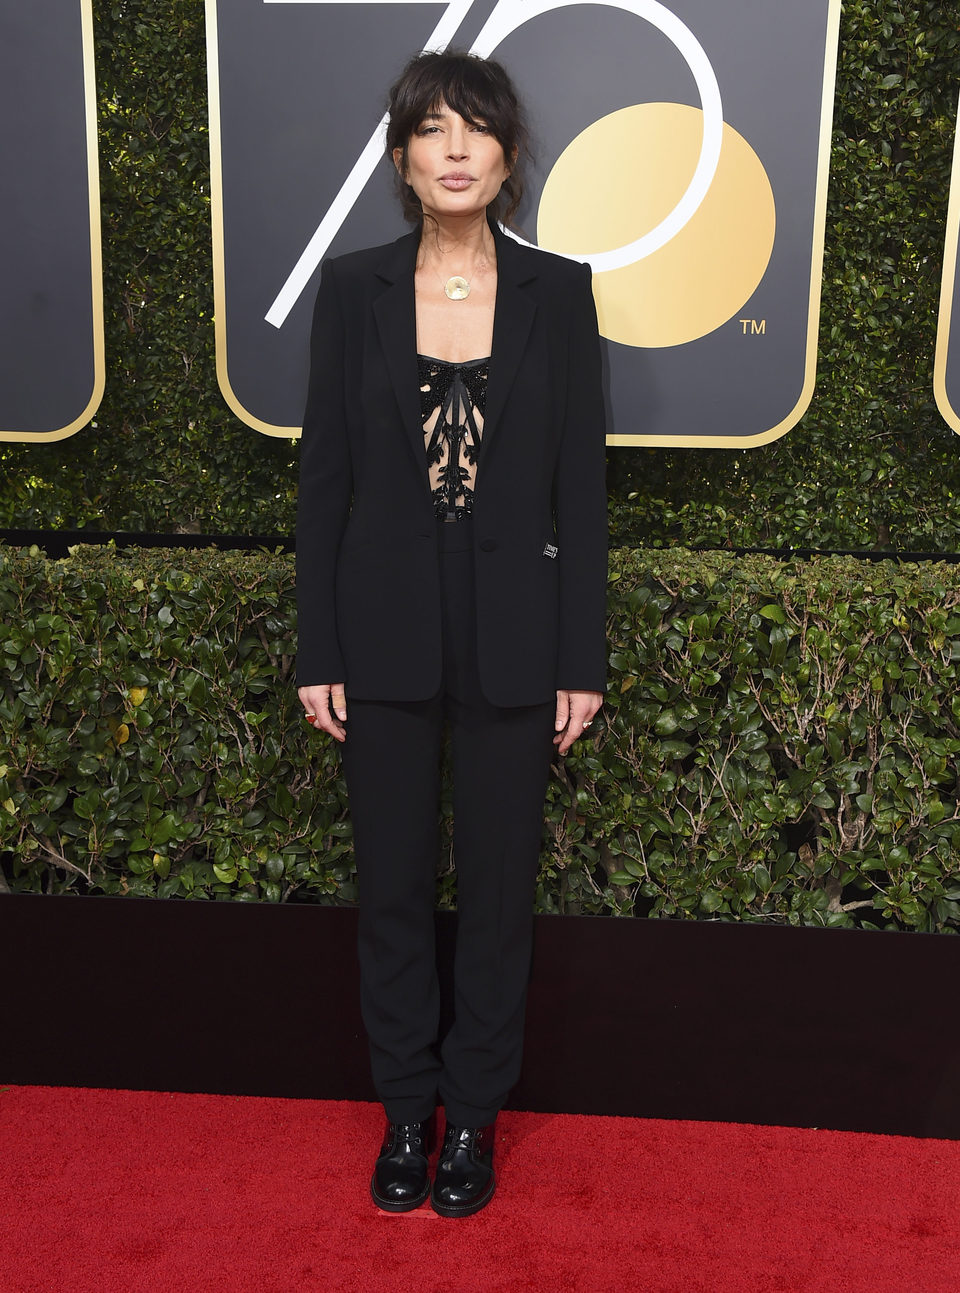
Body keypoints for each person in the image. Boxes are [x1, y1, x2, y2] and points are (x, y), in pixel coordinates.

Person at [296, 49, 607, 1218]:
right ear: (402, 159)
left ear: (509, 156)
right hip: (380, 641)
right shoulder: (355, 289)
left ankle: (472, 1121)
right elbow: (323, 484)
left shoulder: (559, 293)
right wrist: (316, 649)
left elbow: (582, 492)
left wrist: (584, 658)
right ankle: (404, 1114)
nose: (457, 149)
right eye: (433, 130)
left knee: (496, 895)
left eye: (477, 129)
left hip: (519, 640)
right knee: (389, 889)